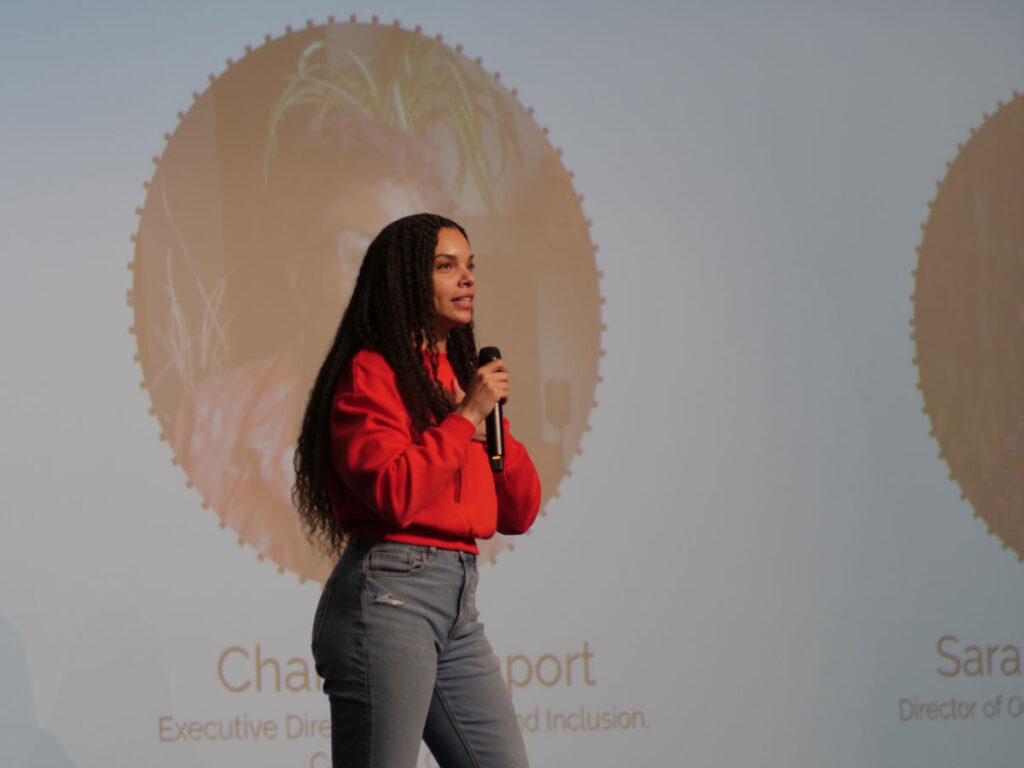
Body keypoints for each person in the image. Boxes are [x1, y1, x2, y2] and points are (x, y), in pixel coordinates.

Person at [293, 213, 541, 767]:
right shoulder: (370, 372)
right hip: (389, 596)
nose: (467, 279)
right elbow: (394, 491)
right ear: (407, 279)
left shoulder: (454, 378)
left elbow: (519, 511)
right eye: (446, 266)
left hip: (459, 601)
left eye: (471, 266)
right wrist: (463, 417)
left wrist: (489, 417)